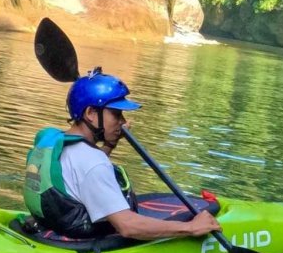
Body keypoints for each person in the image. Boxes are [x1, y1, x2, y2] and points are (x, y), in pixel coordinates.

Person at [23, 69, 218, 241]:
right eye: (116, 115)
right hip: (81, 234)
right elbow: (127, 226)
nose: (123, 122)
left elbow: (79, 177)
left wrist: (109, 144)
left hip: (50, 222)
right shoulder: (93, 162)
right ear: (90, 112)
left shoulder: (52, 139)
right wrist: (190, 228)